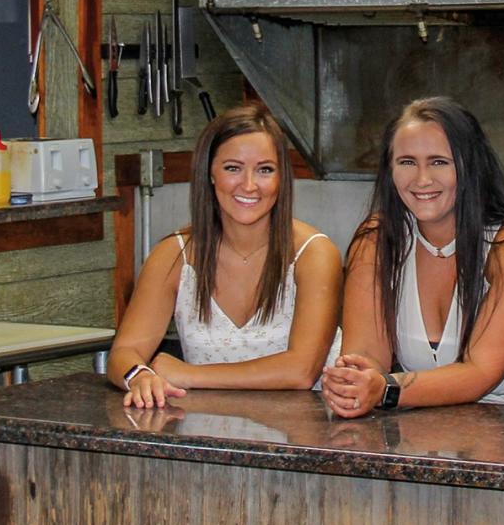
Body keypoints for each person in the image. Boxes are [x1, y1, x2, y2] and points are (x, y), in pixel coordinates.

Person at [321, 97, 504, 417]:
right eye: (407, 162)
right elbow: (365, 355)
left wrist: (385, 389)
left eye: (439, 162)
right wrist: (353, 382)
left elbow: (479, 372)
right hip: (413, 424)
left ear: (470, 166)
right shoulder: (377, 238)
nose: (422, 179)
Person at [107, 103, 342, 408]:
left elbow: (301, 371)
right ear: (210, 174)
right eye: (233, 168)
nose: (249, 185)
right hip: (207, 429)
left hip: (305, 434)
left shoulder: (315, 254)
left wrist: (188, 374)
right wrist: (139, 375)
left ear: (282, 178)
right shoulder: (173, 255)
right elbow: (124, 352)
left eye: (265, 170)